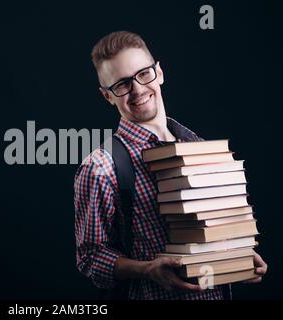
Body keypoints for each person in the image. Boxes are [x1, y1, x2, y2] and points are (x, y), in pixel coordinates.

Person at [74, 31, 267, 299]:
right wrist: (146, 269)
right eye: (122, 84)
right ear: (108, 96)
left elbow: (210, 230)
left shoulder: (198, 145)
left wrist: (238, 257)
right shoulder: (100, 167)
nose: (138, 89)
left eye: (143, 74)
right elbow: (90, 257)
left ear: (159, 72)